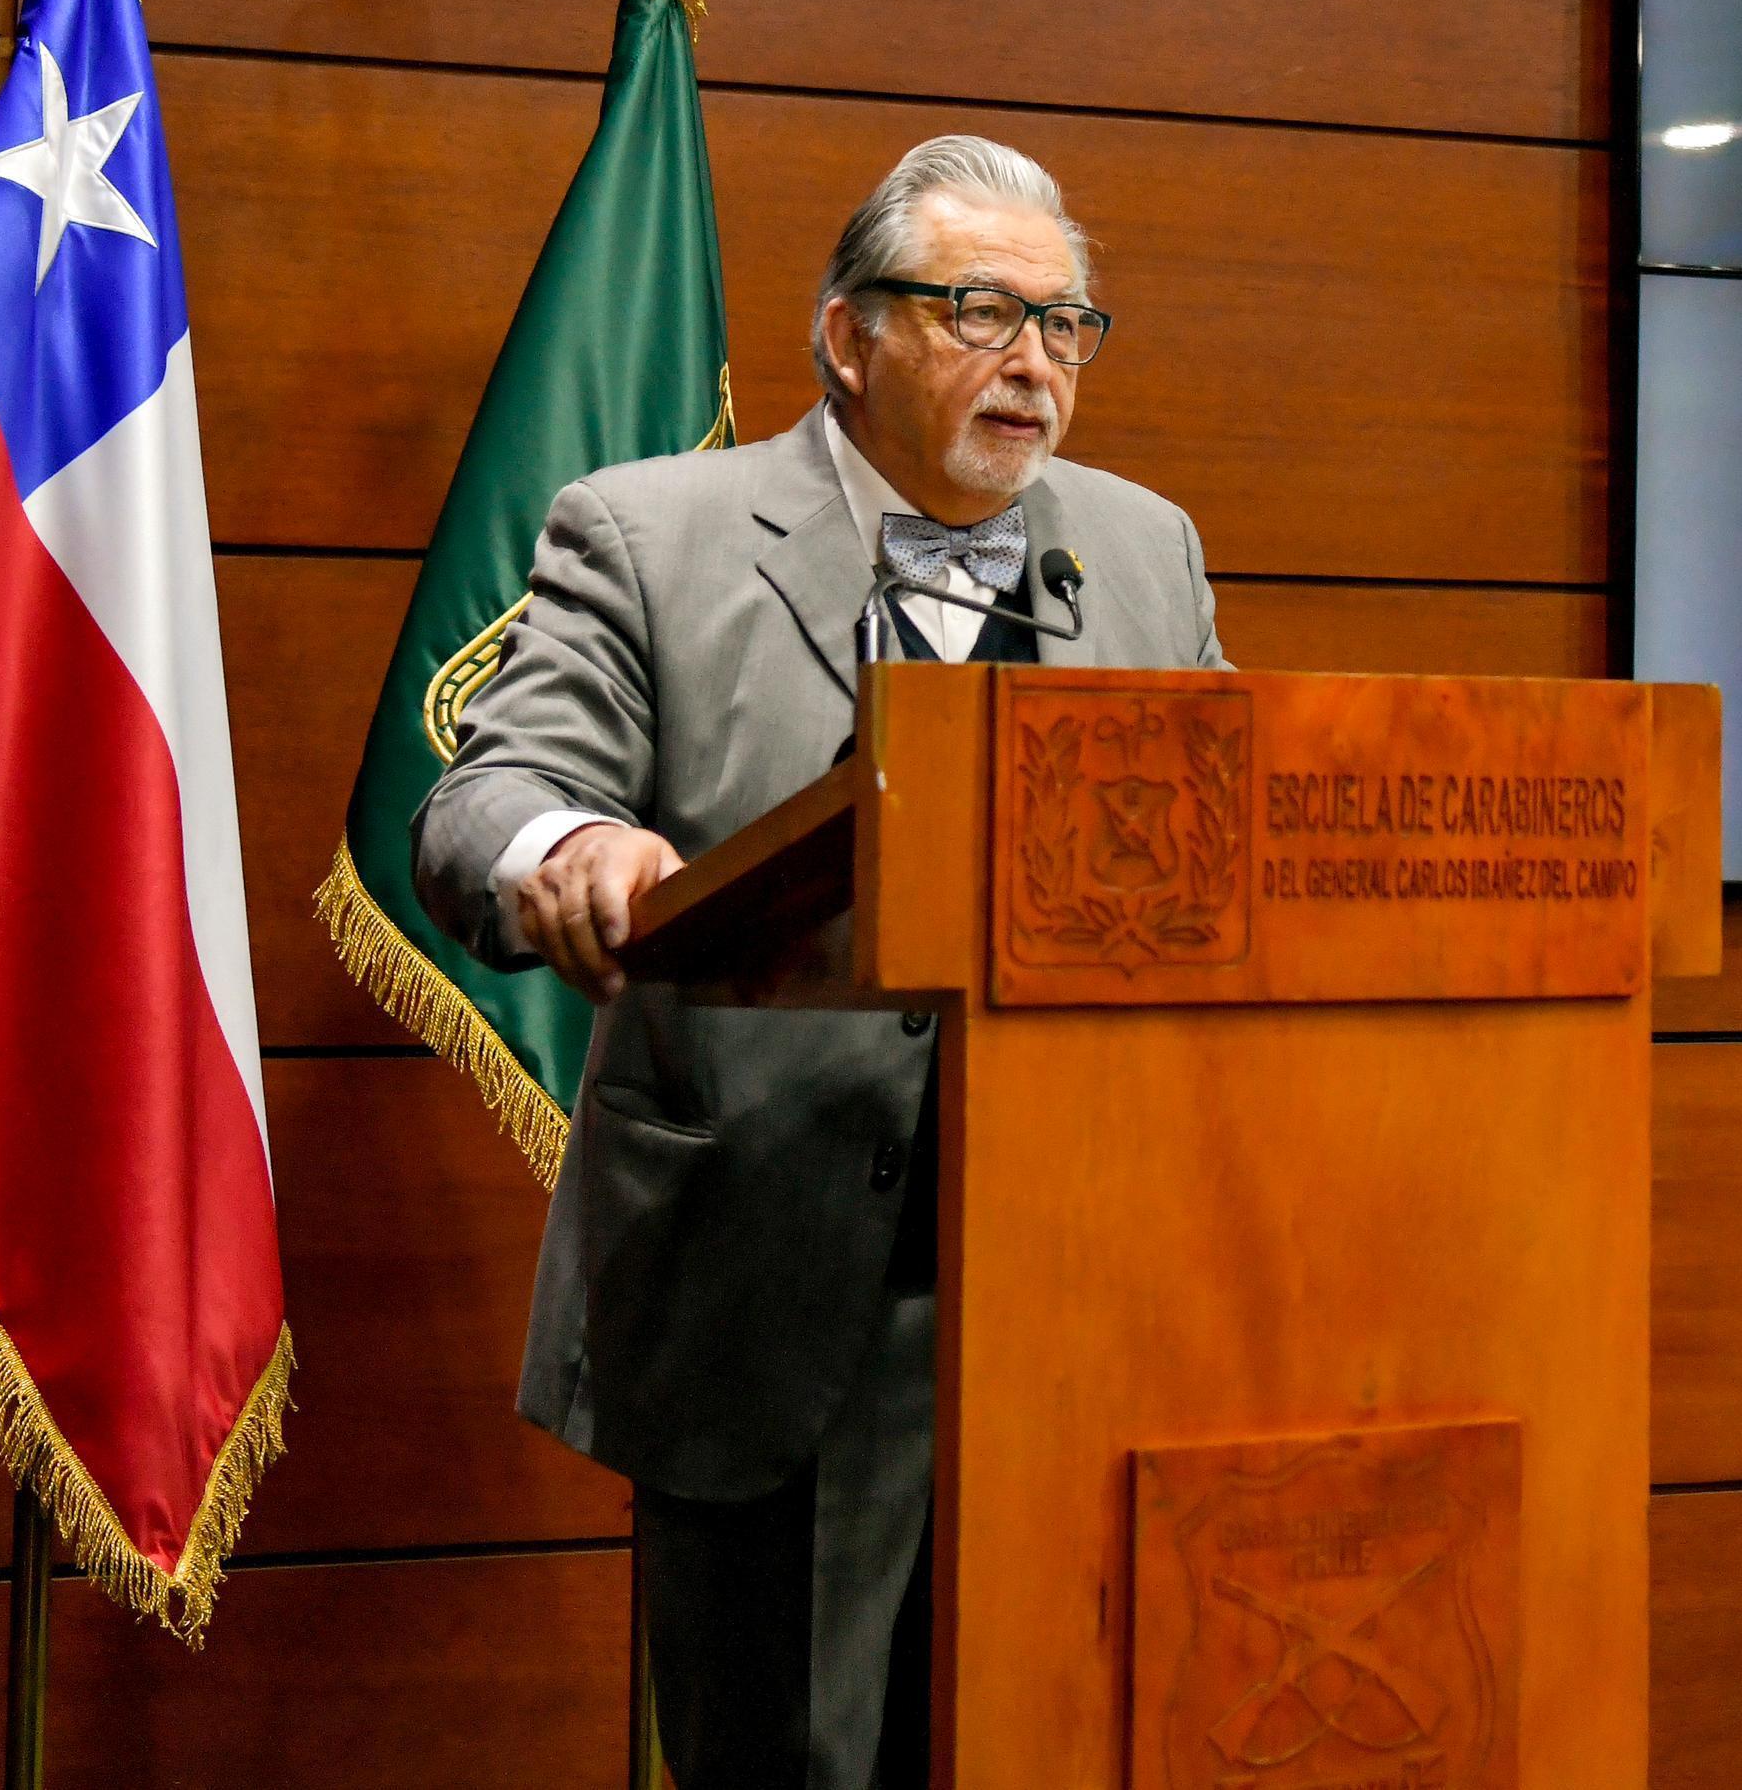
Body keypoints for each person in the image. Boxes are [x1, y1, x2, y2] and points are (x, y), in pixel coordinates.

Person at [416, 134, 1227, 1790]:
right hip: (766, 1275)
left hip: (1073, 1290)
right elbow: (481, 792)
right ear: (848, 335)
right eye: (979, 311)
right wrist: (567, 849)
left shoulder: (1146, 546)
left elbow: (1235, 837)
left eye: (1069, 325)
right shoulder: (651, 531)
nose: (1034, 362)